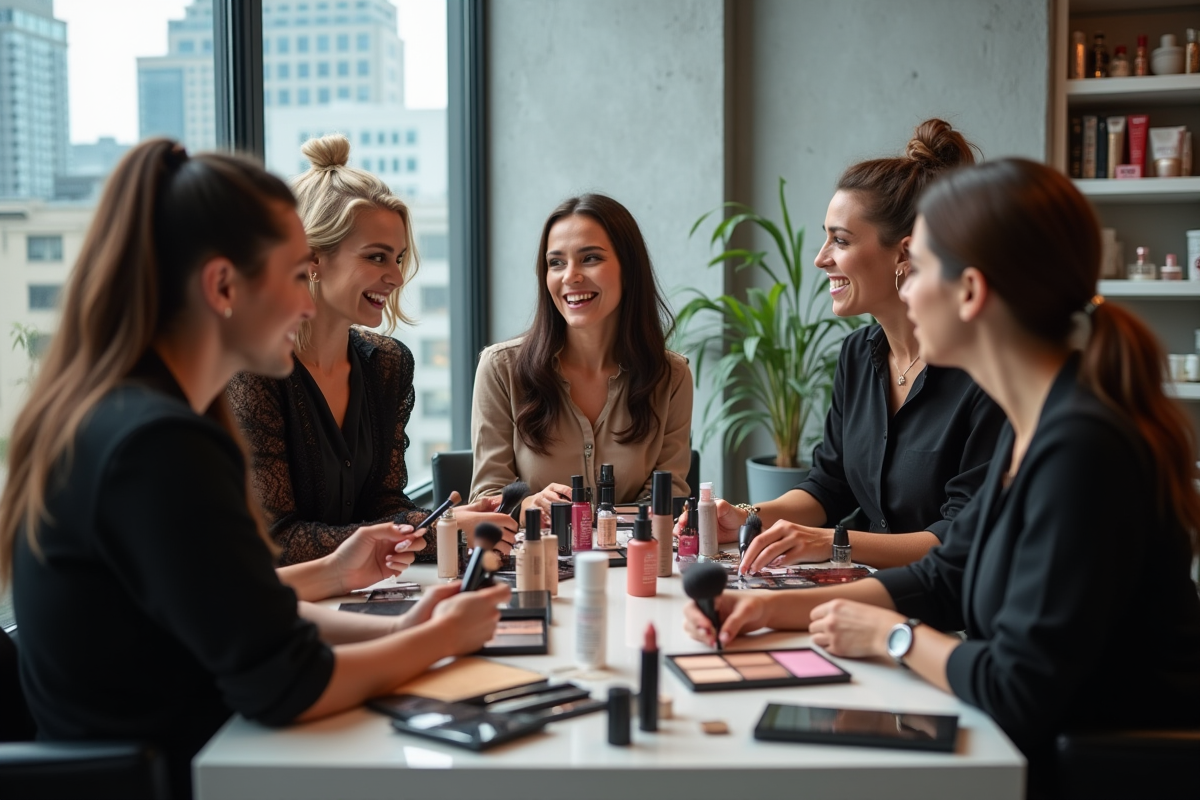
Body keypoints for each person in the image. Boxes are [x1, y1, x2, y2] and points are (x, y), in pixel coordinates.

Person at [1, 140, 510, 800]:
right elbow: (284, 683)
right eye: (299, 275)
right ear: (222, 286)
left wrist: (401, 626)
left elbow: (249, 615)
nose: (308, 304)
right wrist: (434, 642)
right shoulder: (159, 443)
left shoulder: (125, 412)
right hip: (182, 775)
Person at [683, 158, 1200, 790]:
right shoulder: (1036, 424)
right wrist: (769, 610)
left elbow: (1018, 688)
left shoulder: (1081, 450)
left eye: (917, 269)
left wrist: (892, 636)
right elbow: (945, 574)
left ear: (972, 292)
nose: (905, 290)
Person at [695, 119, 1005, 570]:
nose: (821, 258)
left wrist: (832, 543)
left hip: (950, 613)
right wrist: (743, 517)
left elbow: (960, 537)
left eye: (839, 240)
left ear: (904, 253)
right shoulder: (859, 354)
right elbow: (829, 484)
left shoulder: (985, 373)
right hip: (869, 592)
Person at [228, 134, 516, 565]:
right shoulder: (251, 371)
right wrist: (438, 532)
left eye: (398, 259)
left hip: (362, 593)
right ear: (313, 259)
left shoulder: (388, 363)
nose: (396, 278)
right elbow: (278, 540)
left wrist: (449, 522)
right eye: (377, 257)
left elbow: (382, 503)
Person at [471, 194, 693, 521]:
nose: (570, 276)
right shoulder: (500, 369)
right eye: (556, 263)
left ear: (628, 270)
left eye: (590, 258)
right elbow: (488, 499)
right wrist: (528, 505)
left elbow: (668, 501)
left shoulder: (671, 376)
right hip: (536, 561)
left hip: (631, 562)